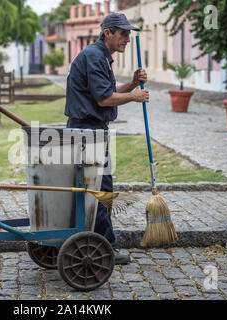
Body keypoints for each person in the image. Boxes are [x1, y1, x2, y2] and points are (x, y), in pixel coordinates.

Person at [65, 13, 149, 265]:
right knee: (101, 192)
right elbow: (103, 100)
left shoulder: (100, 56)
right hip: (87, 132)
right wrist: (135, 96)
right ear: (108, 33)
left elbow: (108, 92)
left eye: (129, 34)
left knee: (99, 190)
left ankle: (94, 240)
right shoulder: (94, 56)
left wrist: (132, 84)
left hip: (91, 130)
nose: (127, 38)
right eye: (123, 34)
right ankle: (105, 247)